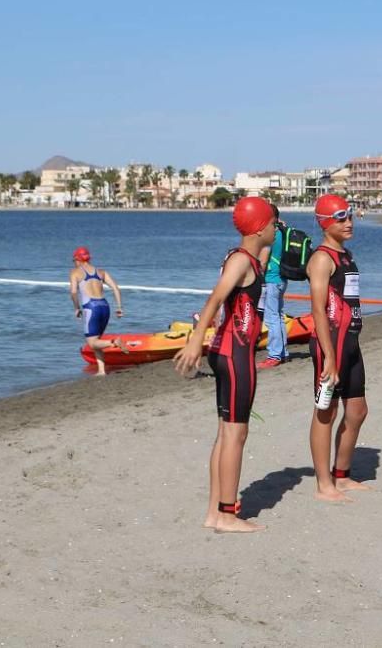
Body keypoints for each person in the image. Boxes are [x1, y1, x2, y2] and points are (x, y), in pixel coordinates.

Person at [173, 196, 275, 533]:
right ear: (260, 228)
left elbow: (265, 251)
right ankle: (227, 515)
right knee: (236, 433)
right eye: (272, 223)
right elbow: (215, 298)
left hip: (232, 351)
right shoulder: (240, 261)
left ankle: (215, 512)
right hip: (234, 353)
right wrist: (194, 340)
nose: (276, 228)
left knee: (225, 433)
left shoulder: (250, 257)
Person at [306, 194, 370, 502]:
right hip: (329, 345)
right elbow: (318, 309)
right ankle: (324, 484)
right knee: (326, 412)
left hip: (351, 343)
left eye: (350, 216)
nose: (349, 222)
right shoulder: (321, 259)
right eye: (341, 218)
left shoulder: (346, 254)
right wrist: (329, 355)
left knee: (357, 410)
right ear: (325, 223)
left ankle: (341, 475)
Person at [69, 246, 128, 376]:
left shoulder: (75, 272)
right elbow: (116, 288)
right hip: (104, 306)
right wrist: (119, 307)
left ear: (77, 259)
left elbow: (73, 292)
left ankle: (114, 342)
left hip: (91, 307)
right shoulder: (101, 272)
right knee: (97, 339)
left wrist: (76, 308)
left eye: (74, 260)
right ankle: (101, 371)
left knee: (92, 343)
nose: (74, 263)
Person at [257, 205, 289, 369]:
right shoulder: (282, 231)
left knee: (271, 318)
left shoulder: (270, 235)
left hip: (272, 279)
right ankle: (282, 352)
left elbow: (262, 262)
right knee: (279, 315)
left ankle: (274, 355)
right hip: (282, 279)